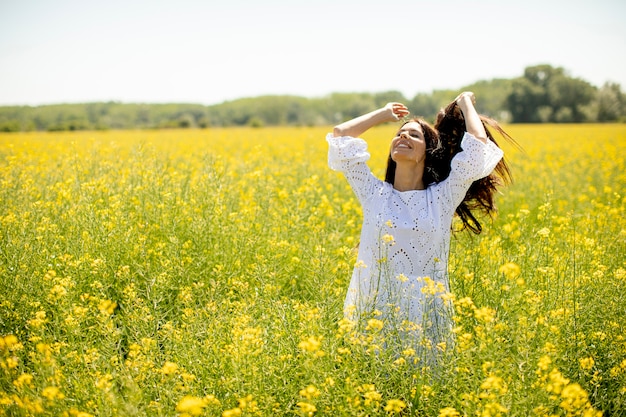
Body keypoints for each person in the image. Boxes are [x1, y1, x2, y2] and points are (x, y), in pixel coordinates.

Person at [327, 92, 512, 360]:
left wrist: (464, 102)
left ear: (428, 151)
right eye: (400, 134)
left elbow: (477, 145)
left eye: (414, 135)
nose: (403, 137)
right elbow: (341, 134)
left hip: (426, 312)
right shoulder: (373, 193)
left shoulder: (442, 197)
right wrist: (383, 114)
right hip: (374, 308)